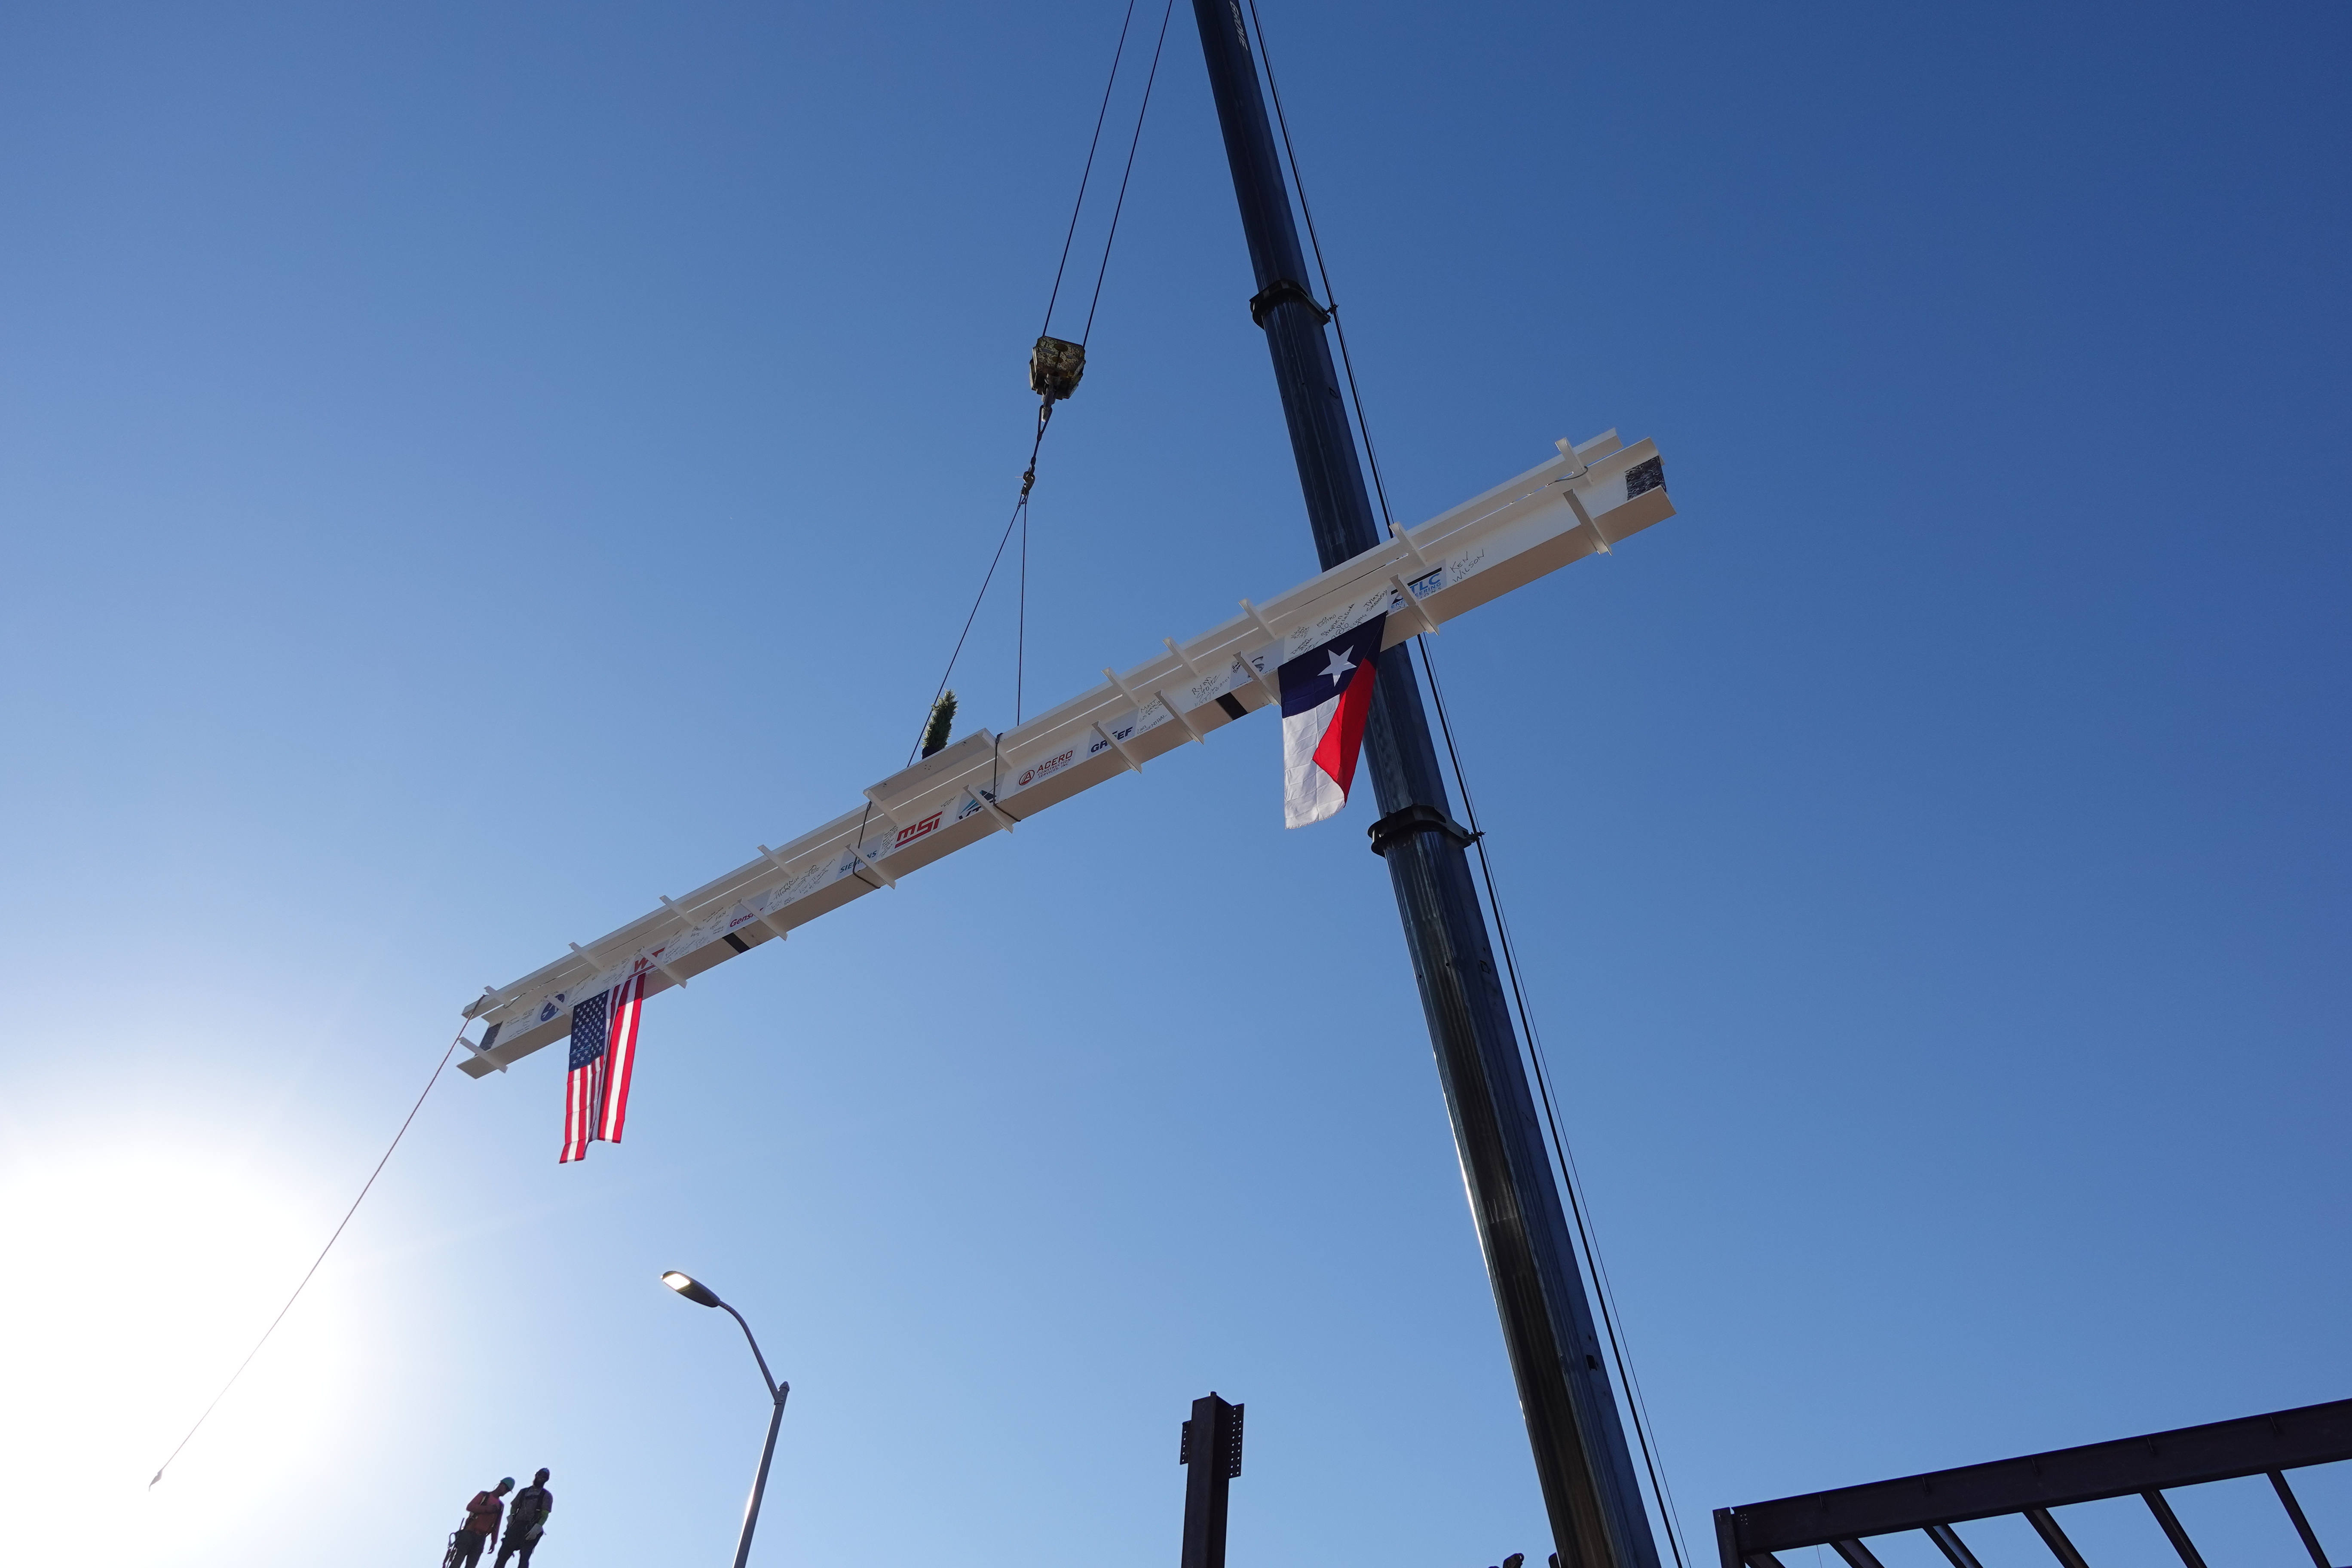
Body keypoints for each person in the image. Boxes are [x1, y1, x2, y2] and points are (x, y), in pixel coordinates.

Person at [494, 1469, 554, 1568]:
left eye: (543, 1477)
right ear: (536, 1475)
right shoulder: (524, 1492)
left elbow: (545, 1514)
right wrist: (511, 1518)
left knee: (524, 1560)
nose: (540, 1478)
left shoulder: (546, 1495)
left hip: (530, 1530)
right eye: (539, 1475)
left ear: (546, 1480)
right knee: (502, 1557)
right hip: (516, 1527)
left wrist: (538, 1527)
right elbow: (514, 1507)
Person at [451, 1479, 513, 1568]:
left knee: (472, 1565)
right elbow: (470, 1507)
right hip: (469, 1533)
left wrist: (494, 1542)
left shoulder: (500, 1507)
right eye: (506, 1489)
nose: (505, 1492)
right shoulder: (484, 1496)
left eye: (508, 1491)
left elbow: (496, 1524)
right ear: (501, 1485)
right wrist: (486, 1509)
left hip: (481, 1538)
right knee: (458, 1559)